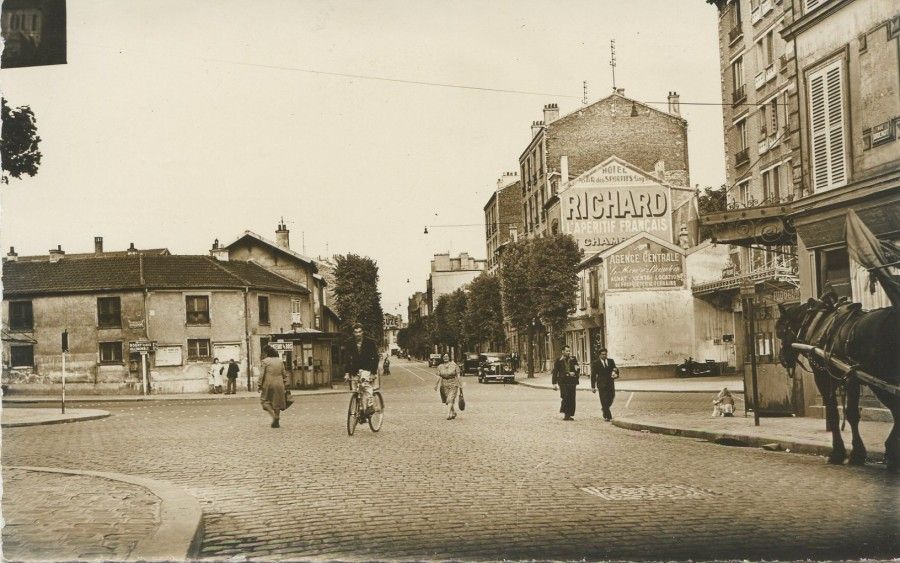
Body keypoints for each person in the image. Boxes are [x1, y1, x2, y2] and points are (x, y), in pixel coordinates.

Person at [258, 346, 288, 428]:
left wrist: (259, 384)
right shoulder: (280, 361)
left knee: (264, 401)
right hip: (279, 383)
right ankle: (276, 422)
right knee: (277, 402)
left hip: (268, 383)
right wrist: (285, 383)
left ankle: (274, 416)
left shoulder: (265, 361)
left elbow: (261, 374)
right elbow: (284, 374)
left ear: (267, 353)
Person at [552, 345, 580, 420]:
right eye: (567, 351)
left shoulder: (573, 359)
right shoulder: (559, 360)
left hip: (572, 381)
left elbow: (577, 368)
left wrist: (575, 373)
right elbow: (555, 372)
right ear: (563, 351)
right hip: (563, 381)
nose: (568, 352)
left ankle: (569, 414)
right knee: (565, 396)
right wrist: (554, 383)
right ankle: (566, 413)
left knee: (572, 397)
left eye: (569, 351)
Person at [591, 348, 619, 421]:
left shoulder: (611, 361)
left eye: (605, 354)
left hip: (610, 383)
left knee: (611, 397)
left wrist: (616, 374)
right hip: (601, 384)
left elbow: (615, 369)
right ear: (599, 355)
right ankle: (608, 416)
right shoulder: (596, 363)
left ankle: (604, 409)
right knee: (604, 400)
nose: (604, 356)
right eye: (602, 354)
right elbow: (593, 375)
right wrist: (593, 387)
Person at [433, 353, 462, 420]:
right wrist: (436, 385)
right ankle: (454, 412)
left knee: (450, 399)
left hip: (453, 384)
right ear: (442, 358)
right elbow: (438, 376)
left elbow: (458, 376)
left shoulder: (454, 365)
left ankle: (448, 414)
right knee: (448, 400)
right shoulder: (440, 366)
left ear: (449, 357)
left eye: (447, 356)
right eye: (444, 357)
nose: (445, 358)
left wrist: (460, 384)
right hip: (444, 385)